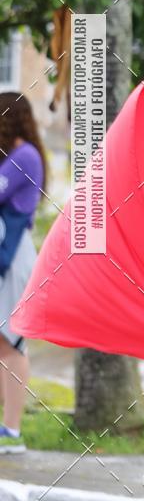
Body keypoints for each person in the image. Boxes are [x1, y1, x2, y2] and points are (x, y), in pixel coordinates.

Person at [0, 92, 46, 454]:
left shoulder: (24, 156)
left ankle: (12, 433)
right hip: (7, 255)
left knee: (11, 340)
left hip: (13, 257)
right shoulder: (15, 156)